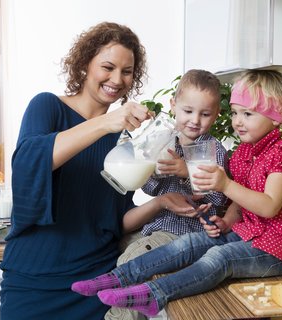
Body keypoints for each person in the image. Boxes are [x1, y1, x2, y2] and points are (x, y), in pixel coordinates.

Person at [70, 69, 282, 317]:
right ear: (174, 106)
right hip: (246, 235)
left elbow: (268, 206)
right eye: (236, 112)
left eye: (247, 114)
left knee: (220, 257)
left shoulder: (281, 152)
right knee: (190, 244)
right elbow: (239, 203)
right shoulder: (243, 154)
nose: (237, 121)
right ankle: (116, 278)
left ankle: (153, 294)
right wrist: (227, 221)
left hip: (281, 250)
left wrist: (217, 182)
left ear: (277, 116)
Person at [0, 22, 195, 320]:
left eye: (126, 72)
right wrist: (107, 122)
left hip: (96, 283)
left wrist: (160, 203)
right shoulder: (48, 107)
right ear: (85, 64)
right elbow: (28, 164)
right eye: (108, 66)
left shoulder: (123, 141)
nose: (117, 79)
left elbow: (115, 220)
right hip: (33, 281)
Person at [103, 69, 229, 320]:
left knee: (130, 262)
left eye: (205, 114)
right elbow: (150, 189)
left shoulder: (213, 150)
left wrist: (186, 172)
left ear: (216, 115)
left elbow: (219, 199)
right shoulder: (163, 140)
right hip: (158, 225)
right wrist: (153, 169)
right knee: (113, 247)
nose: (195, 120)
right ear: (173, 106)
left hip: (185, 233)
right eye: (188, 111)